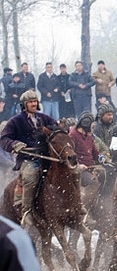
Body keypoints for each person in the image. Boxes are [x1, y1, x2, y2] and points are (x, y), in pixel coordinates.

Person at [0, 91, 58, 224]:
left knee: (71, 171)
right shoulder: (15, 121)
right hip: (28, 159)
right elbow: (4, 139)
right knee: (30, 176)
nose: (33, 104)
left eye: (35, 101)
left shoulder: (44, 118)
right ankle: (26, 211)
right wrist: (14, 144)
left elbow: (56, 129)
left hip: (47, 158)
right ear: (24, 104)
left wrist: (61, 127)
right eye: (30, 101)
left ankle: (76, 207)